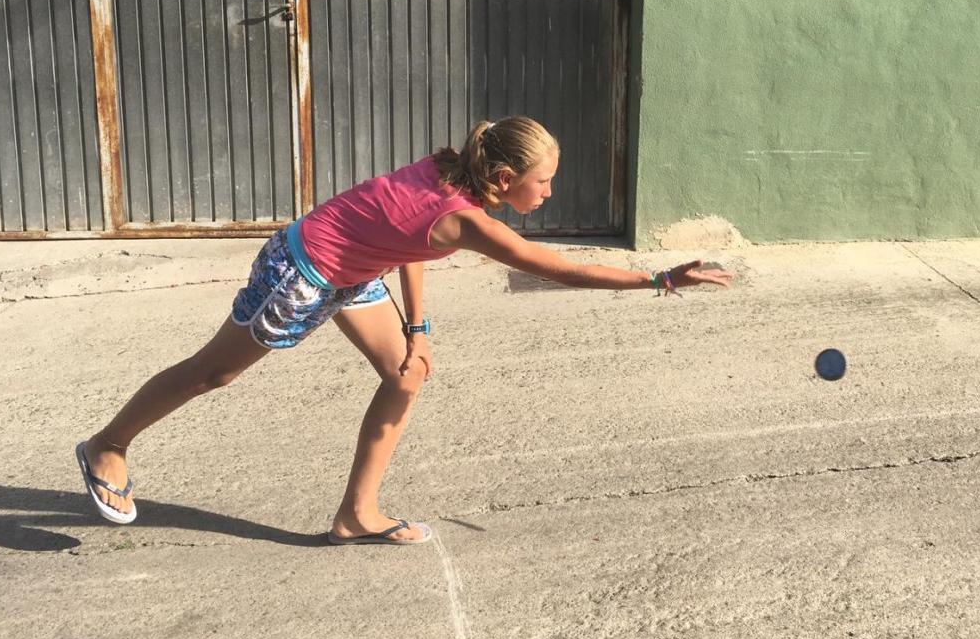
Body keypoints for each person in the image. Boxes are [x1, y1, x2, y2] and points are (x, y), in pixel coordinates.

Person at [76, 117, 733, 545]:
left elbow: (411, 245)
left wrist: (417, 329)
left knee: (404, 374)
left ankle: (355, 514)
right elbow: (560, 269)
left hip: (353, 271)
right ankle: (107, 445)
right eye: (545, 183)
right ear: (505, 179)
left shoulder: (454, 176)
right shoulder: (468, 213)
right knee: (211, 373)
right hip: (302, 268)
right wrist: (660, 280)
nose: (549, 194)